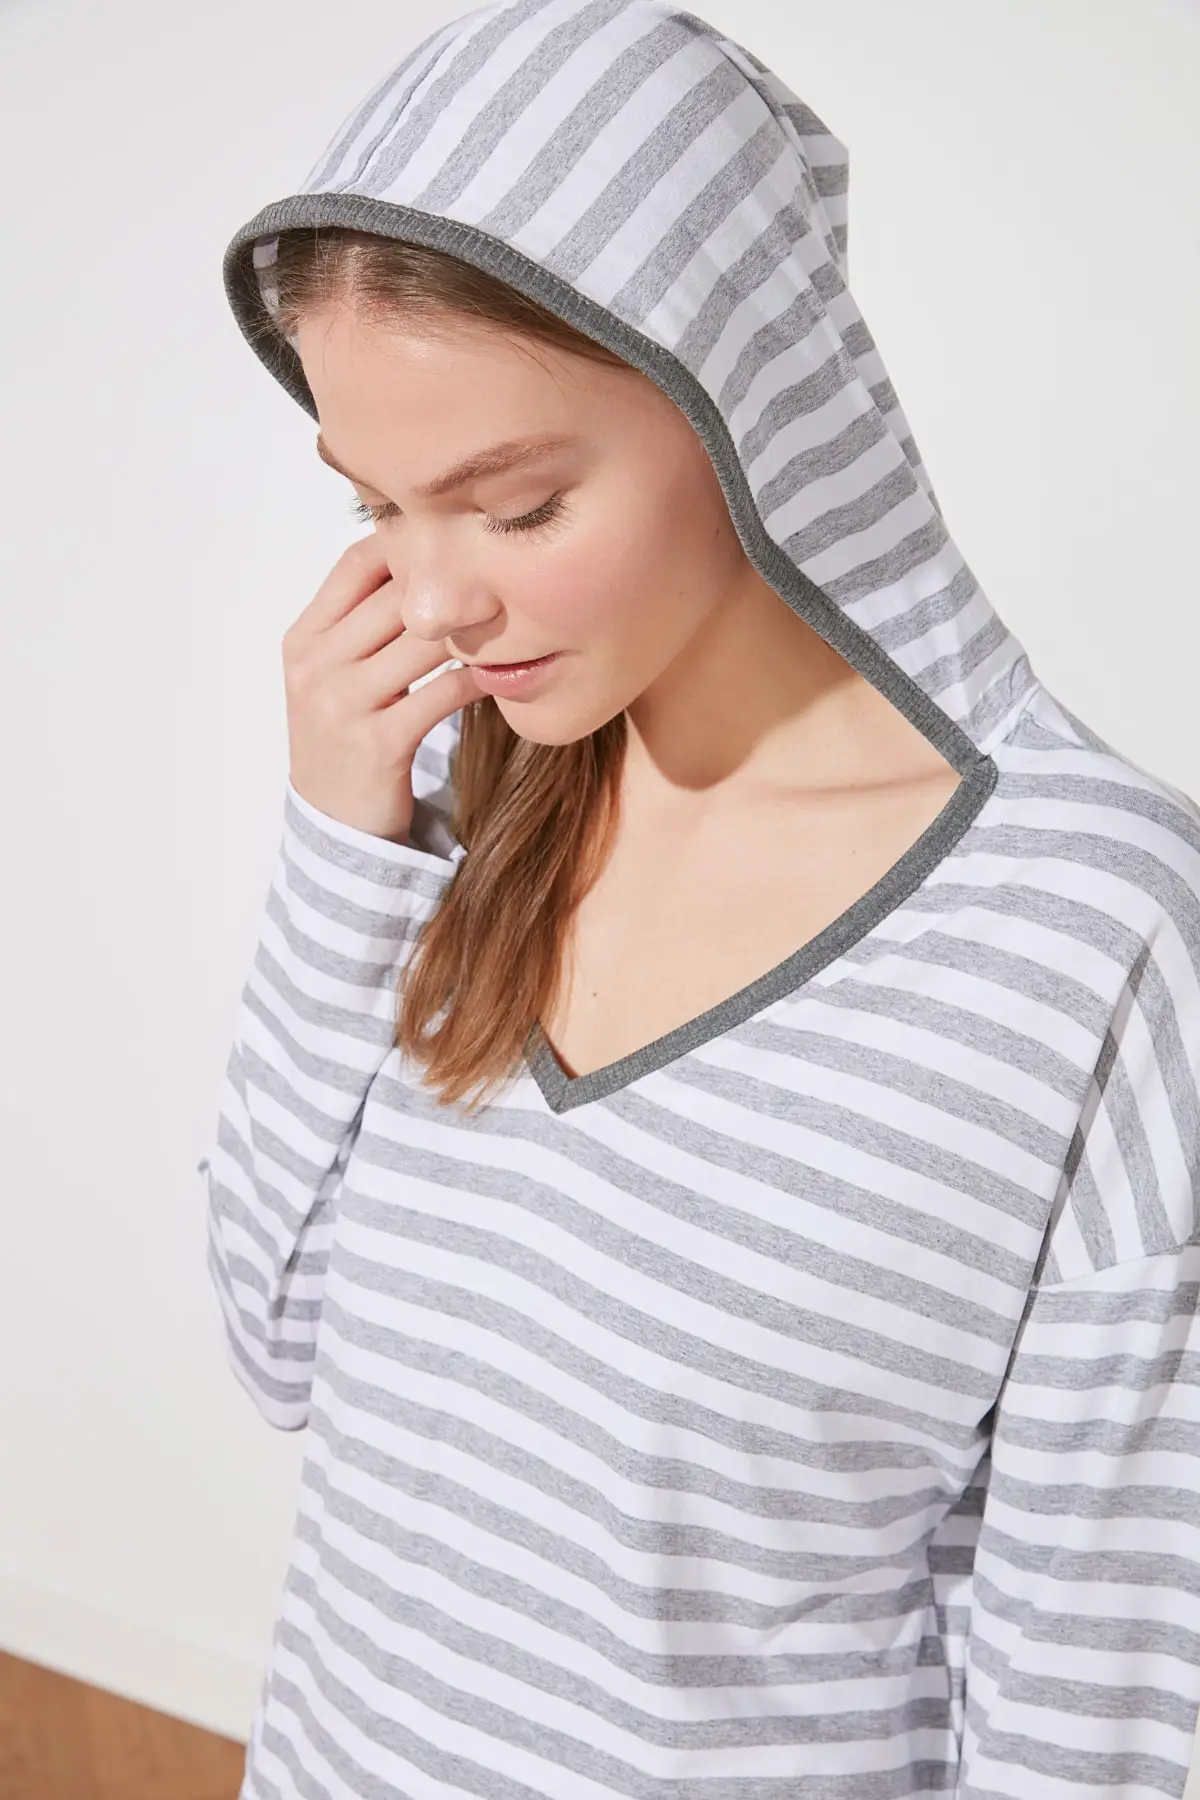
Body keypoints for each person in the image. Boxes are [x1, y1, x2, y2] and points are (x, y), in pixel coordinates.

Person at [200, 2, 1200, 1795]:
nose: (433, 600)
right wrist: (343, 845)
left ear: (753, 408)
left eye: (515, 506)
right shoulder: (471, 801)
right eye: (375, 508)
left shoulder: (1091, 939)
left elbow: (1101, 1707)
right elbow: (278, 1348)